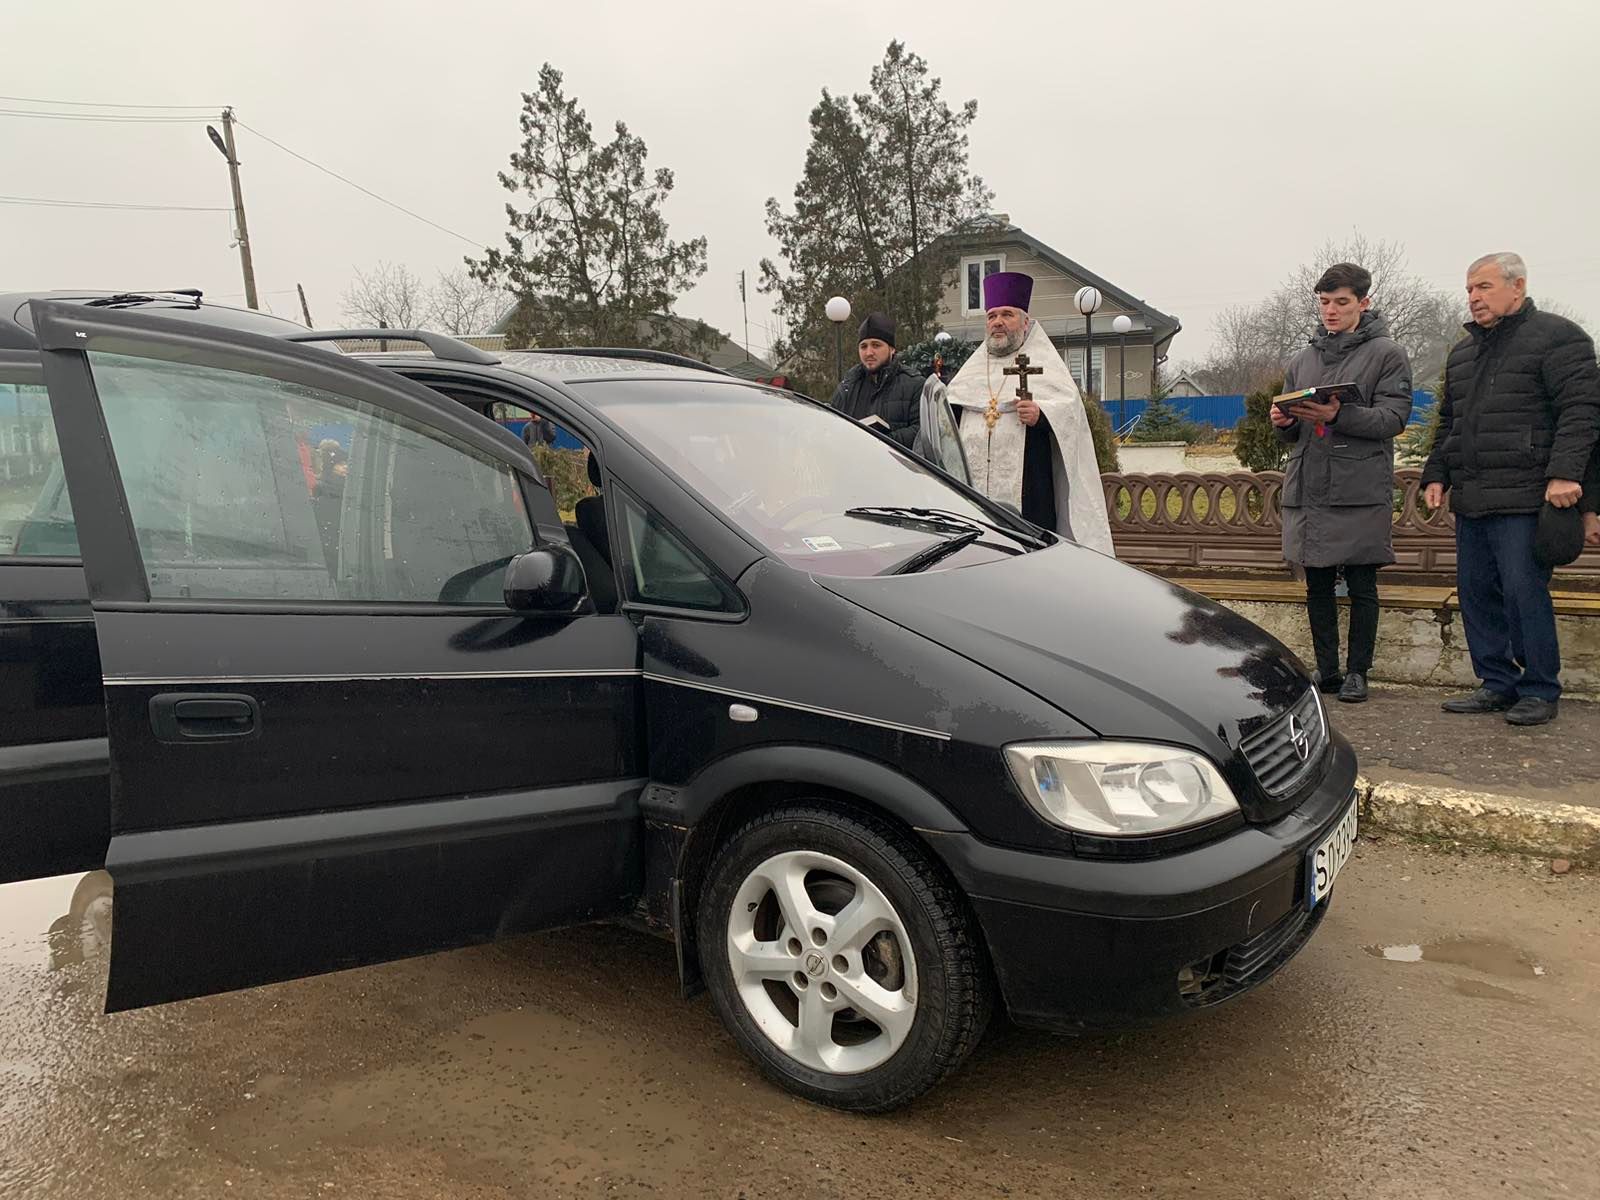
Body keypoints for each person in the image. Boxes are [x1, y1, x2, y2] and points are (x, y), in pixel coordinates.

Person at [1421, 252, 1600, 726]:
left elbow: (1582, 412)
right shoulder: (1464, 352)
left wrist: (1566, 474)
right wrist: (1437, 471)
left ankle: (1540, 687)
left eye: (1483, 287)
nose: (1474, 298)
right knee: (1476, 591)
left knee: (1524, 593)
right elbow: (1451, 422)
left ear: (1516, 286)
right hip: (1475, 495)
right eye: (1469, 290)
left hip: (1527, 497)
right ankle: (1496, 682)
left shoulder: (1558, 337)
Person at [1270, 263, 1413, 704]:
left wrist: (1339, 415)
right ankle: (1328, 670)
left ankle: (1358, 672)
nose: (1330, 310)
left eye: (1341, 302)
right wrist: (1282, 420)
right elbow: (1293, 429)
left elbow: (1394, 418)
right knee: (1316, 584)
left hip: (1358, 488)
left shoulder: (1387, 354)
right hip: (1309, 484)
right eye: (1324, 302)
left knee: (1363, 583)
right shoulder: (1302, 359)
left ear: (1363, 303)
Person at [944, 271, 1114, 554]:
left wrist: (1042, 416)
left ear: (1025, 322)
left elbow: (1070, 418)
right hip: (974, 492)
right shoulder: (971, 372)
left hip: (1030, 492)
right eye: (992, 316)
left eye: (1007, 314)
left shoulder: (1046, 364)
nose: (998, 322)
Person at [828, 313, 922, 450]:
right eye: (863, 346)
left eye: (876, 345)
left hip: (897, 469)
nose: (869, 352)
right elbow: (831, 427)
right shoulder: (847, 387)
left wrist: (881, 443)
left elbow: (921, 432)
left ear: (892, 349)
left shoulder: (915, 384)